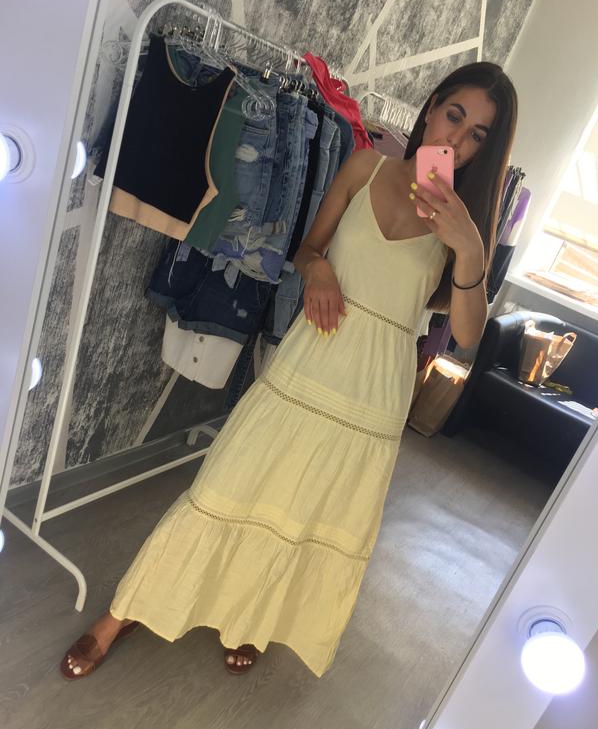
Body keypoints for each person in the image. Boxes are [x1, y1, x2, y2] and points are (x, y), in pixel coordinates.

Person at [61, 61, 518, 680]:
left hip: (375, 393)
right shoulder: (365, 167)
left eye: (477, 135)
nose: (456, 140)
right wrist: (319, 270)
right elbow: (308, 249)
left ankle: (254, 618)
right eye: (454, 116)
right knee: (225, 483)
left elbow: (466, 333)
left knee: (309, 511)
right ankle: (122, 612)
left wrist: (469, 250)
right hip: (310, 359)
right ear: (433, 106)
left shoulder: (464, 226)